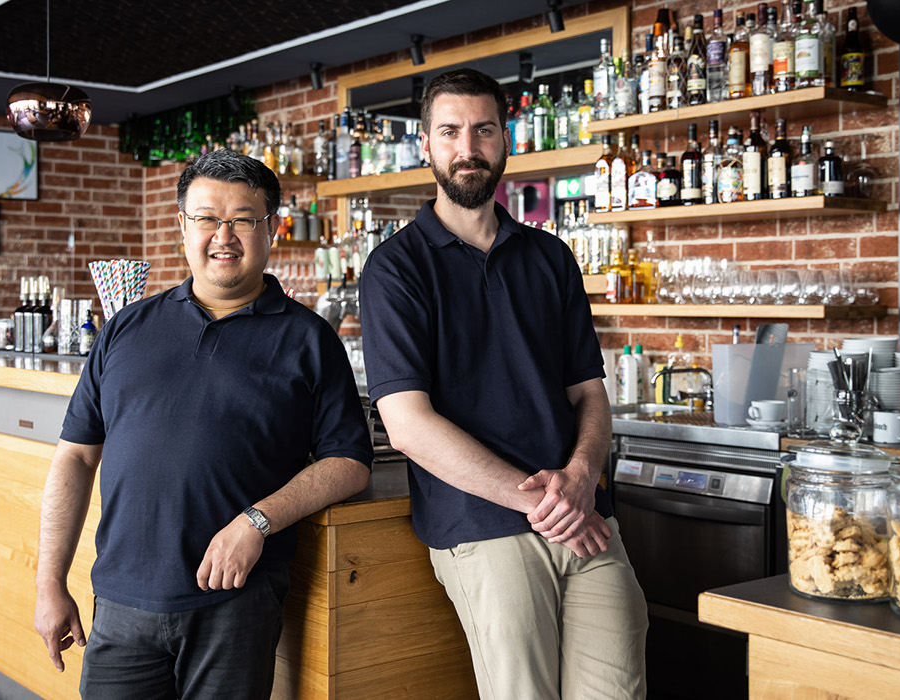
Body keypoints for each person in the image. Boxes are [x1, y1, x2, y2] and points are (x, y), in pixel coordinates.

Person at [34, 149, 373, 699]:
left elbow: (350, 463)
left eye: (243, 219)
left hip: (235, 605)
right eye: (207, 218)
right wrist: (49, 582)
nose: (224, 235)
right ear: (182, 225)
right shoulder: (126, 329)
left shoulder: (309, 340)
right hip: (121, 601)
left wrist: (256, 522)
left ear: (271, 228)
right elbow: (75, 455)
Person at [359, 68, 648, 700]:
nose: (468, 147)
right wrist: (544, 504)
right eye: (450, 132)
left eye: (483, 130)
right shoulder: (395, 270)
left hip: (583, 517)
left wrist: (580, 478)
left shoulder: (550, 257)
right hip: (483, 526)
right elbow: (408, 426)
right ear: (426, 146)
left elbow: (589, 394)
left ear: (506, 140)